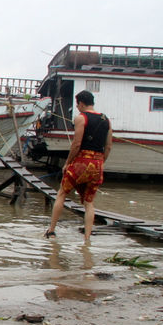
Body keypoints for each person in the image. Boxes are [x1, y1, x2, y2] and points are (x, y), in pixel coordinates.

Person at [45, 90, 113, 241]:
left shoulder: (81, 118)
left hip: (81, 162)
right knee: (89, 202)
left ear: (81, 104)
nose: (77, 107)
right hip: (97, 163)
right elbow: (108, 146)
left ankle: (51, 230)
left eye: (77, 105)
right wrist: (101, 162)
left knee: (62, 194)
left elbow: (76, 144)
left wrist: (68, 163)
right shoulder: (106, 120)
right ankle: (87, 238)